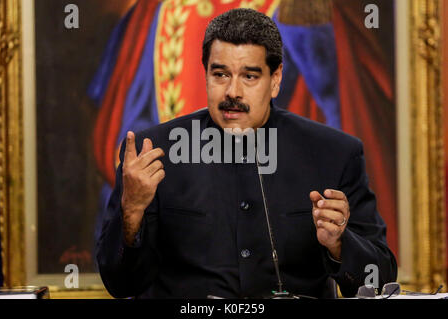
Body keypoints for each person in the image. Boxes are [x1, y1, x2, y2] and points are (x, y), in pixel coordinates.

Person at [96, 8, 397, 299]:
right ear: (206, 75)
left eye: (250, 76)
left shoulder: (335, 154)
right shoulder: (154, 152)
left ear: (275, 79)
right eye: (220, 75)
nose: (232, 92)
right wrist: (131, 213)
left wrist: (340, 245)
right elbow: (120, 284)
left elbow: (381, 278)